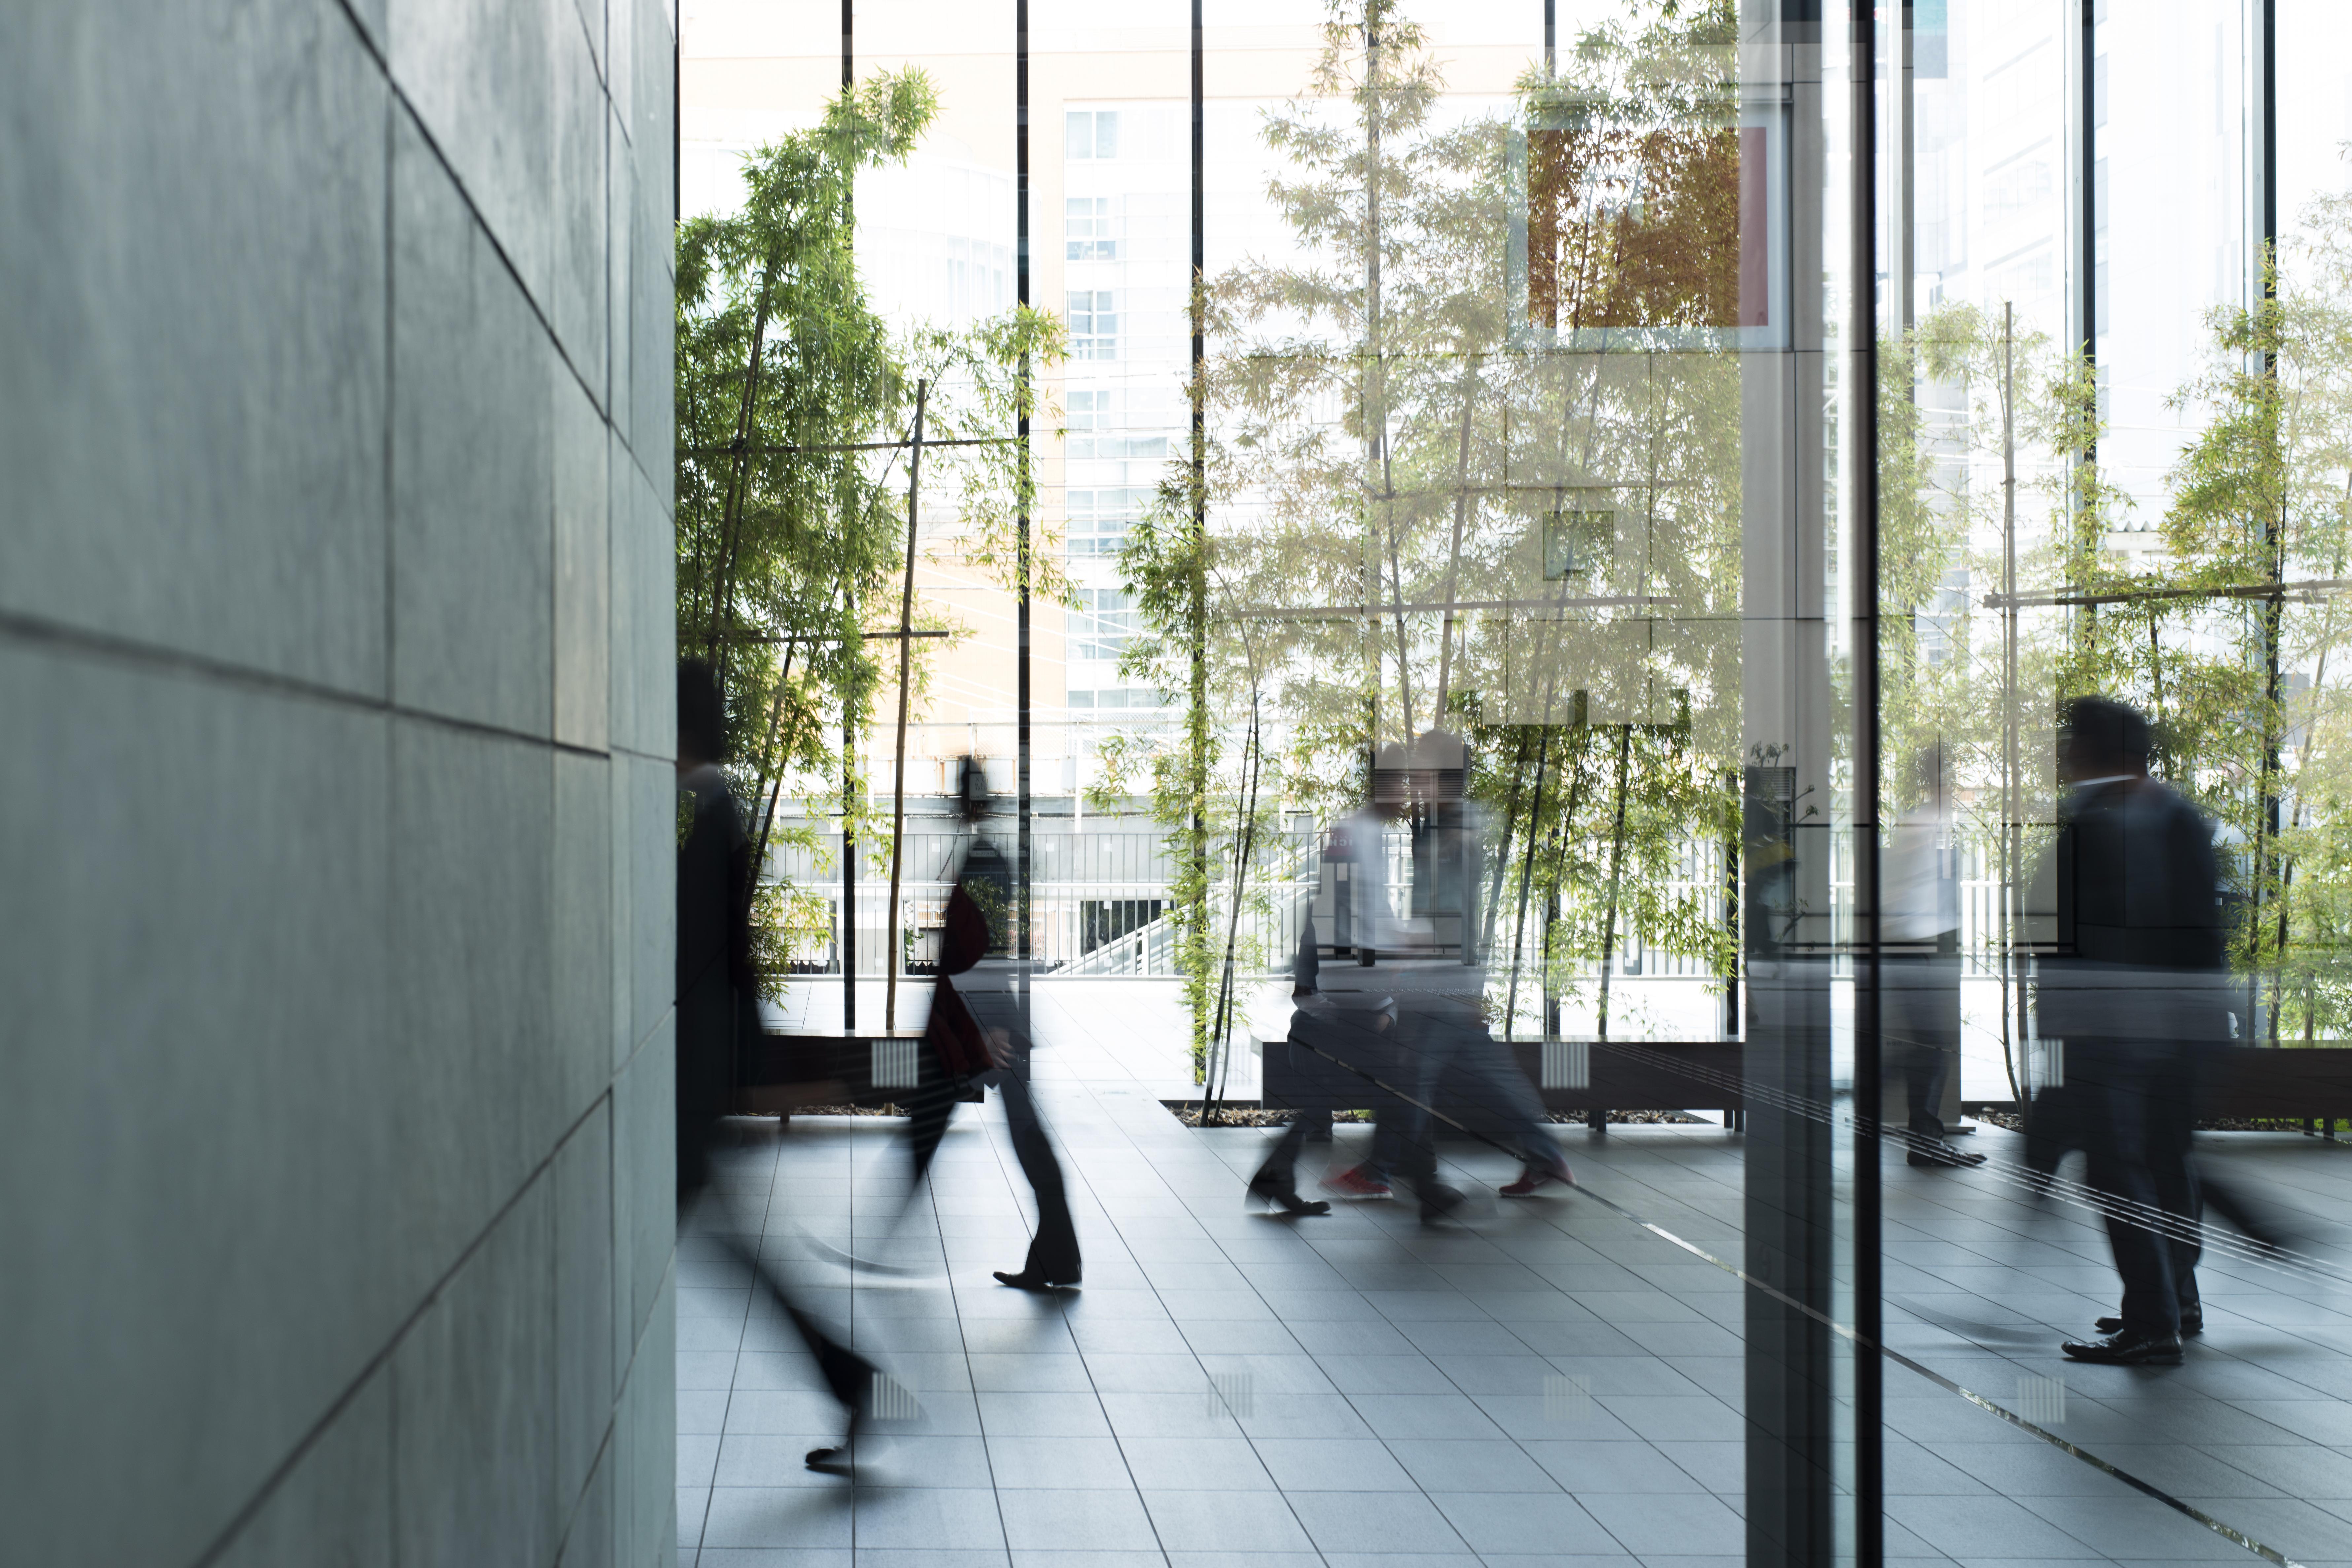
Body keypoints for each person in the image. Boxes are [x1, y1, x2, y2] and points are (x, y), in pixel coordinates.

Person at [674, 662, 882, 1470]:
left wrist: (737, 1077)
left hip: (693, 1079)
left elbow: (712, 960)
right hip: (701, 1075)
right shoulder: (713, 807)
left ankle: (855, 1379)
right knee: (743, 1257)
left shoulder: (711, 810)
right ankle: (853, 1379)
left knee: (736, 1257)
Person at [2031, 696, 2224, 1366]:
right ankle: (2175, 1300)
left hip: (2113, 1034)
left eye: (2068, 741)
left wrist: (2057, 1036)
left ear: (2096, 751)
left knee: (2119, 1170)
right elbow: (2203, 933)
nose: (2061, 753)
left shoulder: (2100, 821)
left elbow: (2069, 939)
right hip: (2175, 1032)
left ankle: (2152, 1322)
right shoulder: (2178, 817)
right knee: (2168, 1164)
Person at [942, 758, 1083, 1290]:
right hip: (995, 1021)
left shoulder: (983, 860)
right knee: (1027, 1135)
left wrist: (995, 1026)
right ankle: (1057, 1258)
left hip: (998, 1025)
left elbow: (993, 947)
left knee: (1027, 1137)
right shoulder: (988, 853)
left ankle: (1058, 1258)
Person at [1883, 743, 1983, 1167]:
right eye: (1953, 774)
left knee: (1929, 1047)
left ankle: (1923, 1139)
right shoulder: (1921, 823)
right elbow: (1898, 890)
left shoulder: (1931, 822)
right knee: (1932, 1047)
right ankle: (1921, 1140)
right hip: (1912, 948)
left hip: (1921, 948)